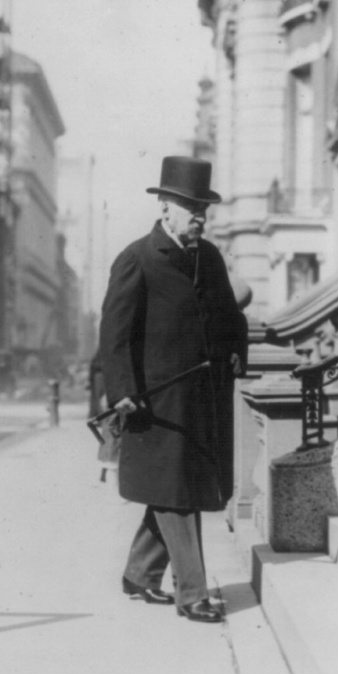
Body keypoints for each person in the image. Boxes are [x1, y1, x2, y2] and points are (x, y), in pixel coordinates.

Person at [99, 156, 248, 624]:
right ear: (165, 208)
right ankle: (193, 594)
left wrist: (237, 349)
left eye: (203, 208)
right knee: (178, 494)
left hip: (204, 397)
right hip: (156, 402)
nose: (200, 216)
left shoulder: (210, 256)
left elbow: (228, 314)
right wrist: (121, 390)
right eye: (190, 207)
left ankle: (140, 573)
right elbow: (115, 333)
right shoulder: (137, 258)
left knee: (175, 487)